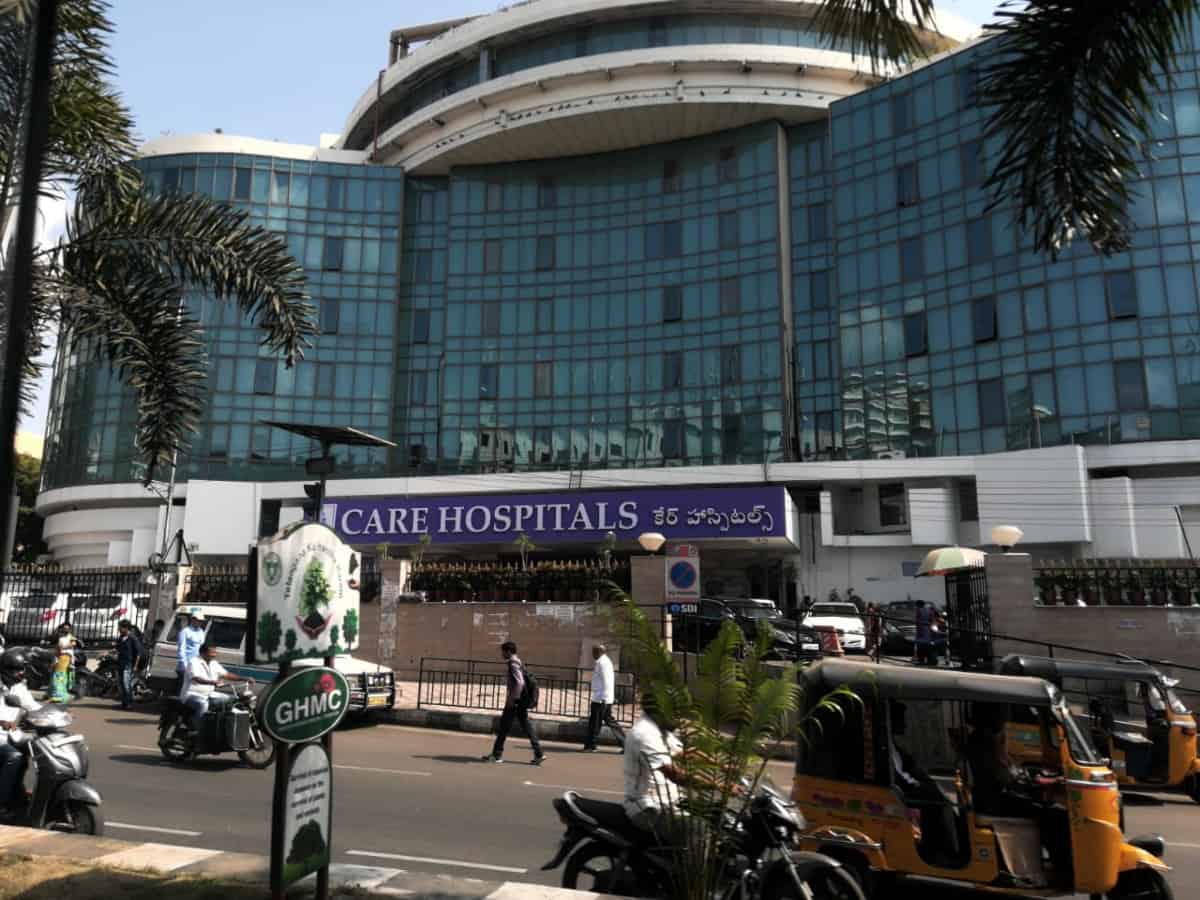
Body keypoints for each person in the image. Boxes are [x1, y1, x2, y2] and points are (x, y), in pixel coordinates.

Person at [623, 694, 686, 839]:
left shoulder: (661, 729)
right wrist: (717, 785)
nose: (679, 718)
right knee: (699, 827)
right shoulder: (645, 734)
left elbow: (684, 754)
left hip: (670, 802)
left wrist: (723, 766)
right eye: (674, 712)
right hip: (648, 808)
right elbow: (674, 775)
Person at [482, 641, 544, 765]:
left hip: (515, 702)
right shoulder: (518, 662)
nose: (502, 654)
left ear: (509, 651)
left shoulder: (513, 663)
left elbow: (519, 682)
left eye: (503, 652)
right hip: (519, 702)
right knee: (526, 727)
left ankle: (496, 755)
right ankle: (539, 753)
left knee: (503, 727)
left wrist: (513, 699)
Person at [0, 649, 41, 812]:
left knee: (34, 749)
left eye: (22, 669)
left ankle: (16, 791)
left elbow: (33, 707)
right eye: (17, 670)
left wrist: (56, 714)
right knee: (14, 757)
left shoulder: (18, 688)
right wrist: (2, 722)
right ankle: (2, 802)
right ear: (6, 670)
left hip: (11, 735)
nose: (21, 673)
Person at [181, 643, 251, 731]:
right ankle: (196, 728)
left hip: (209, 694)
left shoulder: (214, 663)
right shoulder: (194, 662)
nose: (214, 655)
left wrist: (244, 678)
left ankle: (220, 725)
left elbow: (227, 675)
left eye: (215, 652)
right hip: (192, 695)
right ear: (202, 653)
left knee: (231, 699)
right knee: (203, 704)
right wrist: (212, 682)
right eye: (212, 652)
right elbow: (196, 678)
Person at [583, 644, 626, 752]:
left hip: (601, 699)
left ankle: (590, 745)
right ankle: (626, 744)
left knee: (595, 723)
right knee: (609, 722)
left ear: (599, 652)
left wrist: (604, 698)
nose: (592, 654)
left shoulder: (602, 663)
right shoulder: (604, 662)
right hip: (603, 698)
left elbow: (607, 681)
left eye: (594, 652)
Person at [175, 612, 206, 698]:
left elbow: (201, 648)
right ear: (193, 620)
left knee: (192, 689)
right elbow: (181, 649)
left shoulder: (201, 632)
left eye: (201, 621)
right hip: (185, 665)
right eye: (198, 620)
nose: (200, 622)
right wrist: (184, 665)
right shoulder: (185, 632)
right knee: (182, 688)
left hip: (195, 665)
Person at [115, 619, 144, 710]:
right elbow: (117, 648)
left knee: (126, 683)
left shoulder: (133, 638)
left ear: (126, 628)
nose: (119, 629)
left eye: (120, 627)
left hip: (128, 664)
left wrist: (135, 666)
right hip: (120, 663)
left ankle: (129, 703)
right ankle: (124, 702)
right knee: (121, 684)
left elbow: (138, 653)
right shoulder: (121, 638)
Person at [49, 623, 77, 704]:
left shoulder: (71, 637)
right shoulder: (59, 637)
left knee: (59, 675)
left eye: (67, 628)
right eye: (64, 628)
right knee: (56, 675)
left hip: (65, 657)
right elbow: (56, 647)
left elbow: (73, 644)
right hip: (58, 657)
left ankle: (59, 695)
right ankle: (54, 694)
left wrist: (62, 647)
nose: (65, 630)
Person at [913, 600, 933, 666]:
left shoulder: (919, 610)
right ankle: (929, 659)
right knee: (927, 645)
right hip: (927, 629)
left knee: (920, 646)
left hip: (921, 629)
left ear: (918, 605)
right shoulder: (929, 610)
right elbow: (931, 619)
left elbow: (917, 620)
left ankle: (921, 660)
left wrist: (918, 628)